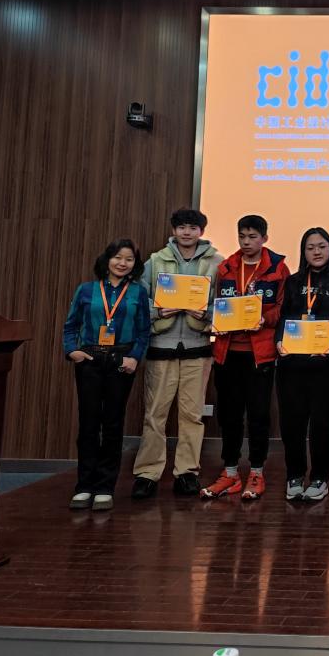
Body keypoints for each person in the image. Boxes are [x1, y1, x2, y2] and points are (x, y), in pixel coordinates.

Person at [132, 207, 223, 499]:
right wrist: (158, 311)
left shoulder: (217, 263)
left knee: (192, 415)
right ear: (173, 230)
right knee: (155, 414)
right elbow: (137, 298)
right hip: (161, 346)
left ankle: (187, 473)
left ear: (201, 232)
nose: (187, 232)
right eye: (182, 227)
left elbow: (226, 304)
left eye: (193, 228)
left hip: (198, 347)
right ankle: (147, 473)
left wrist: (206, 312)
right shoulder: (156, 260)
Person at [201, 215, 289, 500]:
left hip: (259, 355)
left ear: (264, 238)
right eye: (242, 236)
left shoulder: (278, 269)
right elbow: (217, 304)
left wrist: (264, 319)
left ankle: (257, 472)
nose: (247, 242)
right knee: (229, 415)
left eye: (253, 237)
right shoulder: (227, 267)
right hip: (227, 353)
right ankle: (230, 472)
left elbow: (282, 308)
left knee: (259, 415)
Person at [62, 239, 150, 511]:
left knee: (113, 424)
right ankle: (84, 486)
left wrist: (135, 357)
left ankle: (104, 487)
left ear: (135, 264)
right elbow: (70, 326)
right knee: (88, 423)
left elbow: (144, 330)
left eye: (129, 259)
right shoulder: (86, 289)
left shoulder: (138, 292)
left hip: (121, 361)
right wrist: (72, 351)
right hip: (89, 359)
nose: (122, 263)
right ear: (107, 259)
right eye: (118, 257)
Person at [275, 227, 329, 503]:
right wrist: (279, 341)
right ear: (303, 251)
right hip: (292, 365)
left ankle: (320, 477)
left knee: (323, 423)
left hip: (327, 366)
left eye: (322, 246)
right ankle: (295, 475)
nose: (316, 252)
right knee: (292, 422)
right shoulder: (293, 282)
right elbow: (282, 317)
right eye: (310, 247)